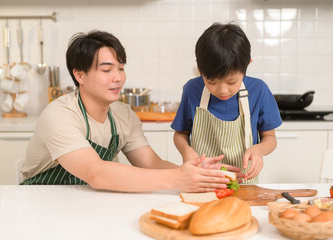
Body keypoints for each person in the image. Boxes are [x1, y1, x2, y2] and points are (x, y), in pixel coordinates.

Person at [20, 30, 241, 192]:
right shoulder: (59, 115)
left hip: (91, 202)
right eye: (107, 69)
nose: (118, 77)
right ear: (80, 75)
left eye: (121, 68)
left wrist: (195, 173)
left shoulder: (123, 114)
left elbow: (152, 165)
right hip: (41, 202)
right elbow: (96, 173)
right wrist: (177, 178)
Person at [171, 22, 282, 184]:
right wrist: (187, 152)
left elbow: (270, 138)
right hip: (203, 181)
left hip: (245, 184)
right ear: (201, 70)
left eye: (231, 82)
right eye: (211, 81)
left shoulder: (259, 91)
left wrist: (258, 150)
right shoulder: (192, 90)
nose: (222, 90)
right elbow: (180, 134)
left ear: (246, 66)